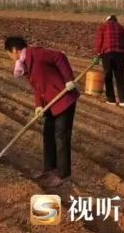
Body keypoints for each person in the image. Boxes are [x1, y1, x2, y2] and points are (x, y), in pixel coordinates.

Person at [4, 36, 79, 188]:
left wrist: (68, 79)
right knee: (48, 135)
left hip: (64, 99)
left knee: (61, 137)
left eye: (9, 53)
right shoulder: (24, 64)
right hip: (50, 103)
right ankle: (49, 169)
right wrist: (38, 105)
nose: (9, 57)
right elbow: (37, 87)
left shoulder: (37, 54)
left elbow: (60, 57)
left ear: (14, 50)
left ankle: (63, 174)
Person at [95, 15, 124, 107]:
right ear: (115, 20)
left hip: (107, 53)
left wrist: (98, 53)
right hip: (120, 54)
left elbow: (99, 41)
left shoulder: (103, 27)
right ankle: (123, 101)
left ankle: (111, 100)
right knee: (120, 77)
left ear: (107, 20)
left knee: (108, 76)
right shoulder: (121, 27)